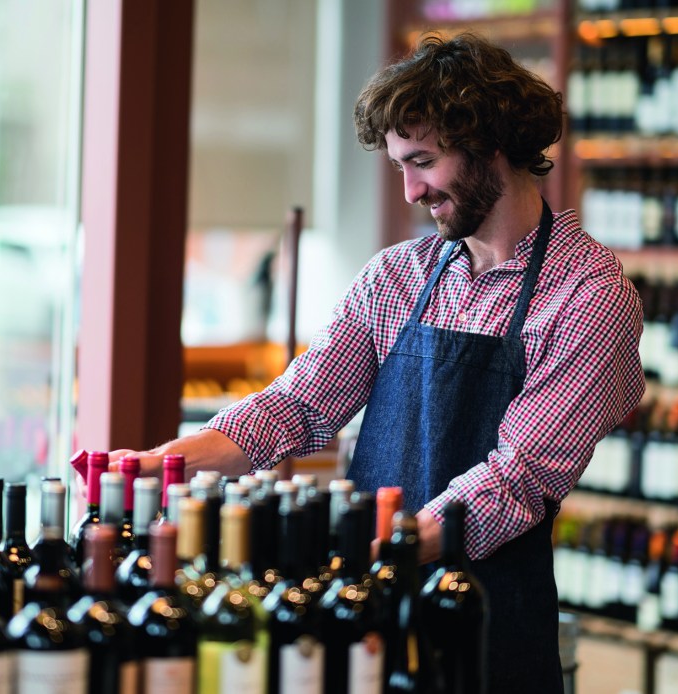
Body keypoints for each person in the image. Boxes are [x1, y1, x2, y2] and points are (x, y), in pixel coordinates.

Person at [97, 32, 644, 692]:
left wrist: (387, 543)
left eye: (423, 161)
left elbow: (516, 479)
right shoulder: (397, 277)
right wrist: (163, 463)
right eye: (398, 167)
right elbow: (296, 406)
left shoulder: (588, 295)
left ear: (490, 144)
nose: (410, 190)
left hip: (486, 630)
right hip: (371, 615)